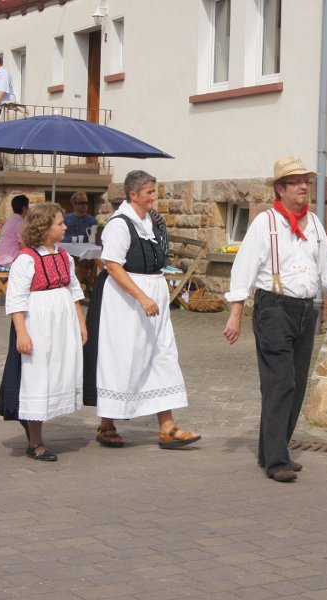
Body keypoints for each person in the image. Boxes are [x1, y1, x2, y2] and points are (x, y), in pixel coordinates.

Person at [222, 156, 327, 483]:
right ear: (280, 189)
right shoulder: (265, 223)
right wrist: (236, 315)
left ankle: (272, 449)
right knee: (280, 382)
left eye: (305, 181)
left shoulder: (315, 224)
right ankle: (277, 460)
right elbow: (244, 271)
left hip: (305, 312)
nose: (304, 187)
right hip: (274, 310)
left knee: (294, 386)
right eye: (296, 182)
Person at [83, 170, 200, 449]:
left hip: (153, 294)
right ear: (133, 194)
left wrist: (156, 293)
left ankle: (168, 427)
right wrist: (141, 297)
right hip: (124, 300)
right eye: (149, 192)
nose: (153, 197)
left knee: (163, 354)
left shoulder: (152, 223)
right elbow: (111, 265)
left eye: (153, 191)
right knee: (123, 357)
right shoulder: (119, 225)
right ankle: (107, 423)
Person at [0, 203, 87, 461]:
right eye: (60, 223)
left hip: (61, 323)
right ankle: (35, 441)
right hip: (37, 322)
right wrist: (22, 333)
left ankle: (37, 427)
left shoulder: (64, 256)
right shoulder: (26, 260)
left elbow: (74, 291)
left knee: (56, 371)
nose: (65, 226)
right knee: (37, 376)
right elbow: (15, 300)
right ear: (45, 228)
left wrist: (80, 323)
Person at [0, 194, 29, 271]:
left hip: (2, 259)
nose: (29, 209)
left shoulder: (11, 220)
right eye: (28, 207)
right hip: (10, 261)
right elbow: (24, 247)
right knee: (34, 264)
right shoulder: (20, 223)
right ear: (24, 208)